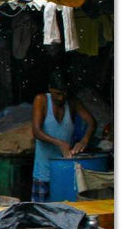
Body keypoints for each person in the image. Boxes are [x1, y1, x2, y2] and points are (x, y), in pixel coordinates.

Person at [31, 71, 95, 202]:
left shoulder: (72, 103)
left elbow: (92, 123)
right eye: (57, 93)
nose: (61, 98)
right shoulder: (41, 100)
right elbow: (36, 132)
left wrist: (84, 140)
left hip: (64, 172)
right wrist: (59, 143)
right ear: (50, 89)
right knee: (39, 216)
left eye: (64, 93)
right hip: (43, 172)